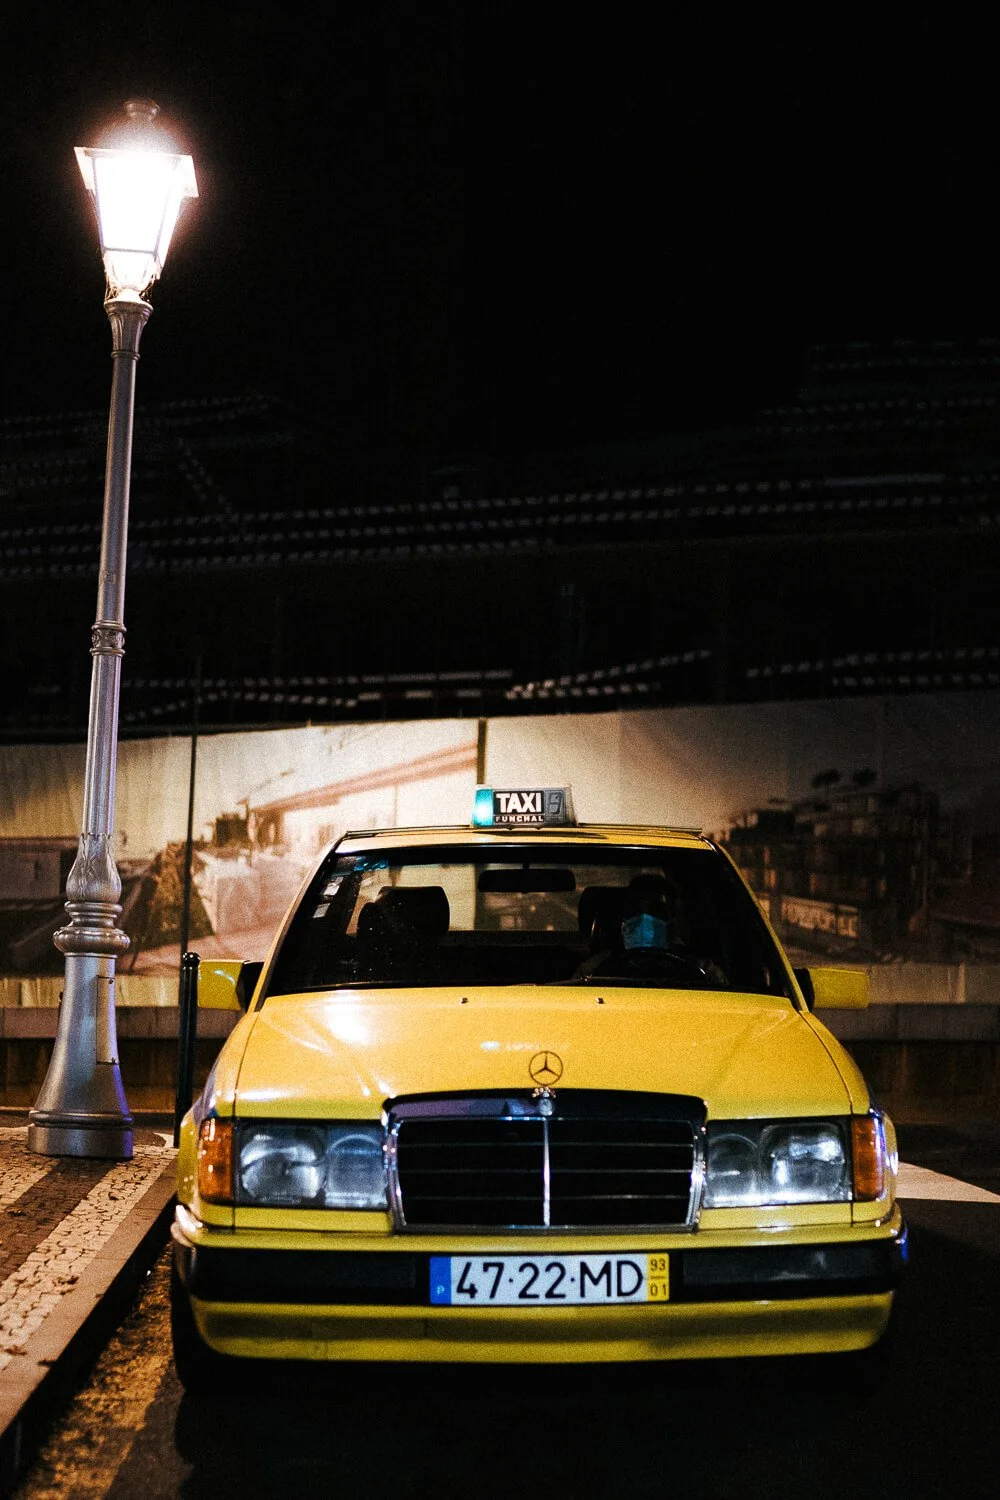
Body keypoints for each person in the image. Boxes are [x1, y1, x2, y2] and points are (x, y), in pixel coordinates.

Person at [578, 873, 724, 985]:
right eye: (635, 911)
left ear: (673, 918)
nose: (644, 918)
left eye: (655, 911)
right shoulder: (593, 970)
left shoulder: (704, 971)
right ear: (624, 917)